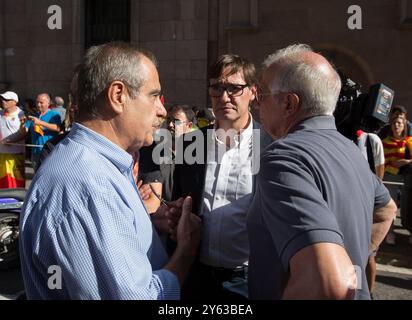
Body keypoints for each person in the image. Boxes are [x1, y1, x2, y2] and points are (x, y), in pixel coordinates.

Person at [19, 42, 201, 299]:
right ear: (118, 96)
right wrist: (186, 250)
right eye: (153, 96)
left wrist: (146, 225)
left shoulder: (99, 167)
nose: (162, 110)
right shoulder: (88, 184)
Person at [247, 44, 397, 300]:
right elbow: (387, 211)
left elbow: (328, 283)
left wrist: (342, 272)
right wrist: (358, 258)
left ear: (289, 103)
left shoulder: (283, 157)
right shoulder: (352, 151)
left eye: (262, 94)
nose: (256, 102)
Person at [172, 54, 272, 300]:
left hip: (247, 280)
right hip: (194, 274)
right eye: (217, 87)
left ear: (253, 92)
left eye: (235, 89)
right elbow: (180, 202)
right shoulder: (190, 145)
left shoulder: (271, 147)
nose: (225, 97)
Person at [382, 114, 412, 245]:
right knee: (391, 206)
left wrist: (406, 161)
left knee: (408, 206)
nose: (397, 125)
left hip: (407, 177)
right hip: (390, 176)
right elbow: (382, 161)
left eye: (400, 123)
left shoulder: (410, 141)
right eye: (394, 123)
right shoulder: (385, 142)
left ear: (404, 125)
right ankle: (390, 232)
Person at [0, 91, 25, 188]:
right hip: (2, 154)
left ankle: (18, 200)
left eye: (6, 100)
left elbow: (24, 133)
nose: (3, 101)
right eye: (2, 99)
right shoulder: (0, 113)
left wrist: (11, 140)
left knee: (16, 180)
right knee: (3, 181)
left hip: (16, 154)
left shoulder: (21, 115)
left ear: (14, 102)